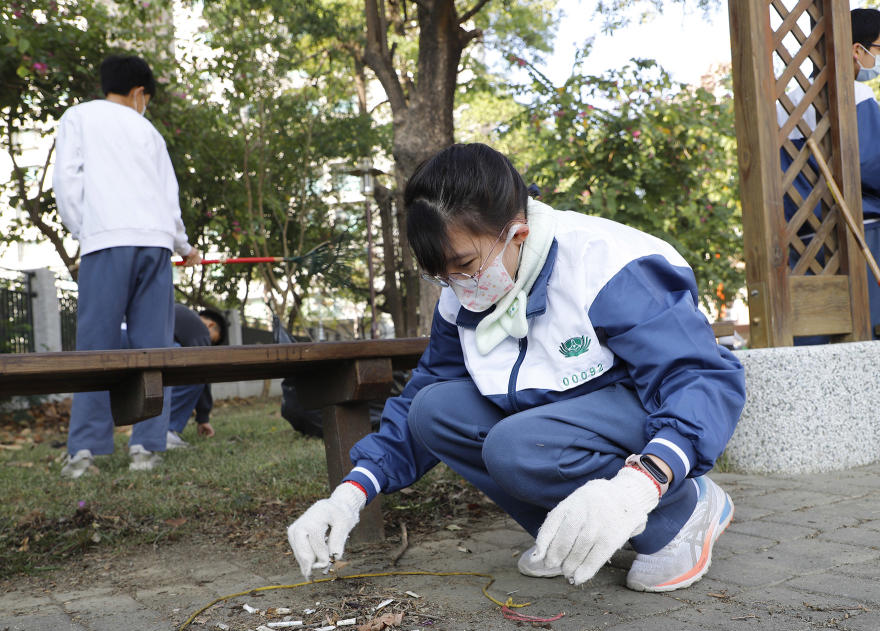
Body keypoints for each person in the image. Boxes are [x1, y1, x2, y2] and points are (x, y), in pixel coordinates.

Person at [288, 143, 746, 593]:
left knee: (518, 445)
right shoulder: (463, 292)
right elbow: (424, 395)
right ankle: (564, 533)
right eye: (440, 274)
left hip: (638, 410)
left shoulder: (604, 263)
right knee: (433, 409)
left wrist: (641, 484)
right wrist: (351, 494)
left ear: (517, 233)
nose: (455, 285)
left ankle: (682, 514)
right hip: (553, 418)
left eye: (464, 263)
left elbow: (700, 378)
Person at [54, 54, 200, 479]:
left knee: (96, 348)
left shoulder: (78, 117)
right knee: (154, 348)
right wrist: (182, 245)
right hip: (154, 245)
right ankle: (147, 449)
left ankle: (84, 452)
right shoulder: (149, 131)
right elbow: (167, 196)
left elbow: (67, 180)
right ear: (139, 93)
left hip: (106, 242)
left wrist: (86, 229)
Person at [779, 8, 880, 341]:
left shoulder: (786, 105)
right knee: (867, 335)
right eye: (878, 49)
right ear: (857, 50)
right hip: (860, 233)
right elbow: (871, 164)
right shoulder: (858, 96)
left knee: (815, 338)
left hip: (802, 236)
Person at [166, 305, 227, 448]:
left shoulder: (177, 315)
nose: (208, 344)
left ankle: (156, 429)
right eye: (212, 341)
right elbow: (202, 370)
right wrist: (203, 417)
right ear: (210, 325)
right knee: (194, 370)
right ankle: (165, 431)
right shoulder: (199, 326)